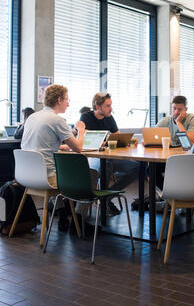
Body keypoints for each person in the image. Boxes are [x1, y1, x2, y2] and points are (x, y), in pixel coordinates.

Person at [21, 84, 95, 231]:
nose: (68, 103)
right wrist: (81, 131)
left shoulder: (32, 117)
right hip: (47, 178)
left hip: (27, 176)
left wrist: (62, 145)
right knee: (92, 173)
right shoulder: (57, 120)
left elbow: (42, 144)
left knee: (56, 168)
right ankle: (78, 221)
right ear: (59, 100)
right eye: (67, 100)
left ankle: (62, 214)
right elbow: (78, 148)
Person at [80, 92, 140, 216]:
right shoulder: (86, 117)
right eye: (108, 106)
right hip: (93, 158)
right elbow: (85, 139)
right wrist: (103, 142)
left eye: (111, 105)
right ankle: (104, 200)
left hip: (111, 157)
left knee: (138, 168)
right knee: (106, 165)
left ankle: (106, 197)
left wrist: (126, 141)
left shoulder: (109, 118)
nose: (111, 108)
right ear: (97, 107)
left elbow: (117, 136)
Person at [154, 95, 194, 190]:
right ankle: (171, 195)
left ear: (186, 109)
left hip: (189, 159)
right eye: (174, 108)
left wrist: (178, 122)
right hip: (170, 158)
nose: (176, 112)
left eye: (179, 109)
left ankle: (174, 196)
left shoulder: (192, 119)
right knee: (150, 170)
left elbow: (190, 141)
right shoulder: (166, 121)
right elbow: (151, 134)